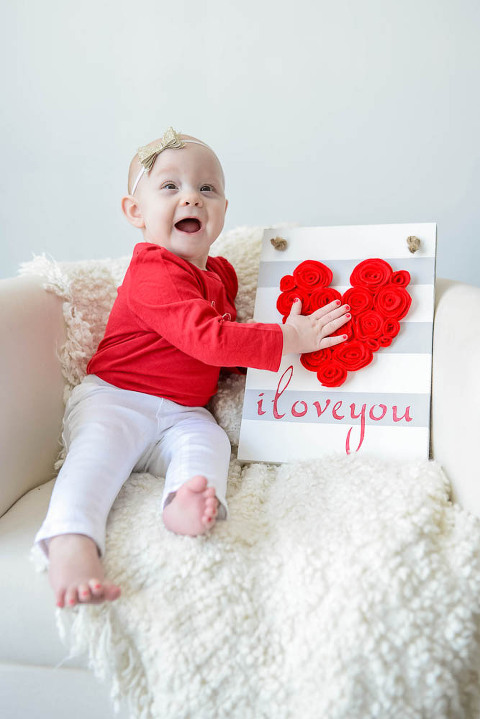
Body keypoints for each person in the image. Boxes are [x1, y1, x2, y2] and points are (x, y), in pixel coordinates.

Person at [35, 127, 351, 609]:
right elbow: (209, 339)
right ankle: (70, 541)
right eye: (170, 186)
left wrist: (260, 368)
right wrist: (290, 339)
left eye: (207, 188)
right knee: (95, 457)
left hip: (183, 410)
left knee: (208, 441)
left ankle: (185, 500)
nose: (192, 198)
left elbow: (229, 347)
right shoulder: (152, 270)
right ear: (135, 212)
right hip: (117, 398)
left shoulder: (220, 274)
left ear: (223, 209)